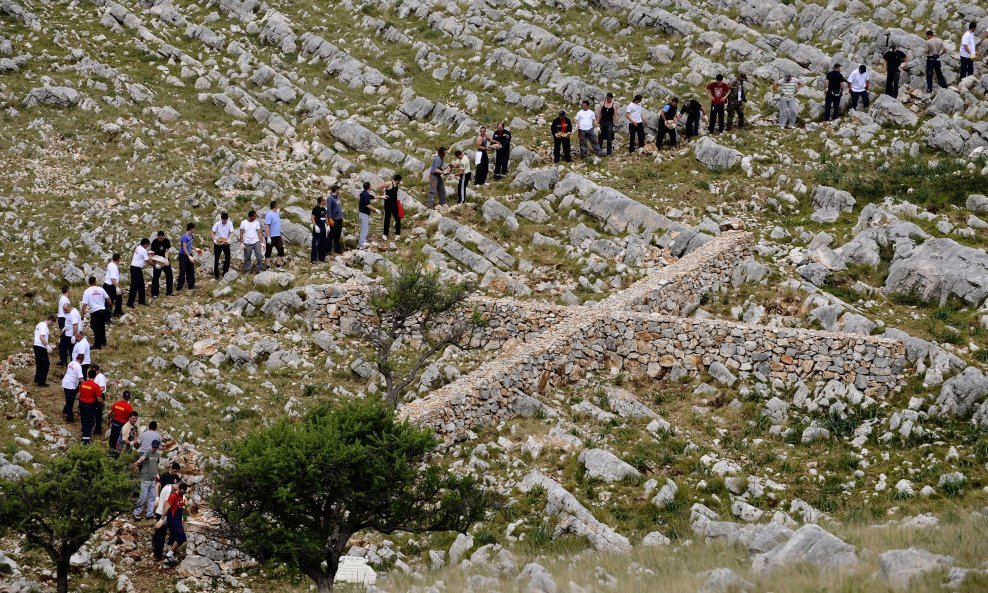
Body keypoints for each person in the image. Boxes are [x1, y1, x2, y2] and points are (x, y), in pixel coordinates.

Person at [152, 462, 182, 559]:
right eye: (174, 470)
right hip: (163, 509)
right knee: (161, 533)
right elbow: (158, 485)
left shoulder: (175, 480)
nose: (175, 472)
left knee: (161, 531)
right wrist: (157, 496)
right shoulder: (165, 477)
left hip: (165, 509)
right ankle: (157, 553)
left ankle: (158, 550)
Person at [157, 482, 189, 565]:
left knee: (172, 537)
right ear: (178, 489)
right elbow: (166, 508)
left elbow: (182, 506)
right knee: (182, 537)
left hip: (178, 519)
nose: (182, 493)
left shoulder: (182, 496)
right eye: (181, 491)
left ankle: (167, 560)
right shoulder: (173, 496)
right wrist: (161, 519)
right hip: (173, 520)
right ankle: (170, 554)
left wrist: (183, 517)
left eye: (184, 492)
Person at [80, 276, 111, 350]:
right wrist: (110, 306)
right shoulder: (101, 289)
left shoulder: (87, 291)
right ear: (95, 281)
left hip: (95, 311)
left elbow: (84, 304)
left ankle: (97, 344)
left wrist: (82, 314)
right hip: (102, 310)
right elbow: (108, 299)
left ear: (88, 282)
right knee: (102, 326)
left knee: (95, 328)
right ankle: (103, 342)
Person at [133, 439, 161, 520]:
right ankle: (136, 512)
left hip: (152, 479)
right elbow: (143, 457)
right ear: (151, 446)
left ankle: (149, 514)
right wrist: (138, 461)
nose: (154, 449)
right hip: (145, 478)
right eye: (153, 447)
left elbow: (156, 465)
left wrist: (157, 474)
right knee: (143, 497)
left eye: (156, 447)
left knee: (152, 497)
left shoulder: (157, 454)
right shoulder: (148, 452)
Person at [78, 369, 103, 445]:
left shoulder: (83, 384)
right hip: (89, 406)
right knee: (89, 422)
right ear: (95, 376)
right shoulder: (96, 386)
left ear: (88, 375)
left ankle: (83, 432)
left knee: (83, 419)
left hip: (82, 404)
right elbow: (99, 398)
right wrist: (102, 403)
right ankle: (86, 439)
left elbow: (80, 393)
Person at [107, 390, 133, 455]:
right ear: (128, 398)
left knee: (113, 438)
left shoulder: (116, 404)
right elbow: (131, 418)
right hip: (123, 426)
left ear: (122, 396)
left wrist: (108, 419)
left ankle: (111, 452)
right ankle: (118, 454)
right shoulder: (129, 407)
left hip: (115, 424)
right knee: (120, 440)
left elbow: (109, 412)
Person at [127, 238, 150, 308]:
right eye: (148, 245)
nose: (148, 246)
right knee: (134, 286)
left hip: (136, 268)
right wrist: (155, 265)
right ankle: (130, 303)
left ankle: (141, 300)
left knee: (141, 285)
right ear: (145, 244)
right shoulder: (143, 250)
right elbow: (148, 261)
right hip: (136, 268)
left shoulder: (138, 247)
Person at [61, 353, 84, 422]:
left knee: (69, 399)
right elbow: (80, 378)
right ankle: (69, 416)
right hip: (70, 385)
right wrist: (86, 384)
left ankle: (65, 410)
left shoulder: (71, 363)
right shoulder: (79, 366)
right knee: (70, 401)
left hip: (65, 382)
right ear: (82, 360)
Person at [149, 231, 173, 298]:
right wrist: (155, 261)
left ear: (163, 236)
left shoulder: (167, 241)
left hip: (164, 259)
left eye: (161, 238)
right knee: (156, 277)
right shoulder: (154, 242)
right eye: (159, 238)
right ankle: (154, 293)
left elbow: (166, 251)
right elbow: (152, 253)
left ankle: (169, 292)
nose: (160, 239)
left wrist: (166, 260)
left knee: (169, 275)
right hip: (157, 260)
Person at [379, 175, 402, 242]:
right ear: (398, 180)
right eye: (400, 180)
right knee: (387, 219)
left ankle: (398, 233)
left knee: (398, 218)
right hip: (388, 204)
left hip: (395, 204)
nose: (400, 182)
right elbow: (380, 187)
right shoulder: (389, 183)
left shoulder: (396, 185)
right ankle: (384, 234)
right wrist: (382, 196)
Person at [33, 315, 55, 387]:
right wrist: (47, 346)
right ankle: (41, 382)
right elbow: (41, 337)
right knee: (45, 364)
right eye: (52, 322)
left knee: (39, 363)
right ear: (50, 320)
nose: (52, 324)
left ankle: (37, 379)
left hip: (36, 345)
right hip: (40, 346)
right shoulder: (44, 325)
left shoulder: (39, 324)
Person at [211, 213, 234, 279]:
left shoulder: (229, 223)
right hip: (218, 243)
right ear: (221, 219)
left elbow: (232, 232)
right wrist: (214, 240)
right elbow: (212, 232)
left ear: (227, 219)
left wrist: (229, 240)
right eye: (223, 220)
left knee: (228, 258)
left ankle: (225, 273)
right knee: (216, 258)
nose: (224, 221)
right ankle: (216, 275)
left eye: (225, 220)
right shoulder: (217, 224)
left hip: (225, 243)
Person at [59, 301, 81, 367]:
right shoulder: (70, 312)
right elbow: (68, 323)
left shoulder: (73, 314)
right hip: (67, 333)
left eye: (65, 310)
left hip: (71, 335)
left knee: (71, 349)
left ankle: (72, 363)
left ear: (69, 307)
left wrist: (74, 336)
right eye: (64, 310)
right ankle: (63, 361)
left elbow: (75, 325)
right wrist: (64, 329)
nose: (65, 312)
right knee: (62, 345)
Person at [264, 202, 284, 269]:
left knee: (281, 250)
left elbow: (278, 210)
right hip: (271, 236)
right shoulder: (269, 214)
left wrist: (278, 210)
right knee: (268, 251)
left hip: (277, 235)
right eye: (277, 206)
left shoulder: (277, 213)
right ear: (275, 206)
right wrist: (268, 236)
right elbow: (266, 225)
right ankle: (268, 266)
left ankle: (278, 266)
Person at [176, 223, 196, 291]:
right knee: (183, 270)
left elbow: (190, 244)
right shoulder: (184, 237)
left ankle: (191, 285)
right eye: (194, 228)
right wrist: (189, 256)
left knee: (191, 270)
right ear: (191, 229)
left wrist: (196, 249)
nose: (194, 230)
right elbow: (184, 248)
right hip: (183, 255)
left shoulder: (191, 236)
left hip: (189, 253)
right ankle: (179, 287)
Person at [103, 254, 123, 319]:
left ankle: (117, 311)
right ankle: (107, 318)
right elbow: (113, 279)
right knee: (109, 301)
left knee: (119, 297)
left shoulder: (110, 264)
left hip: (109, 285)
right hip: (110, 286)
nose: (120, 260)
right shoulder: (114, 267)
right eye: (120, 258)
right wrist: (117, 287)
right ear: (118, 259)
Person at [327, 187, 344, 255]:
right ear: (336, 190)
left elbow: (339, 207)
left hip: (339, 219)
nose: (339, 190)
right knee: (331, 235)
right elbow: (329, 209)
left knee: (338, 235)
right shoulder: (330, 198)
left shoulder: (338, 197)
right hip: (334, 220)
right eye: (338, 189)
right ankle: (328, 250)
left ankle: (337, 250)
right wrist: (329, 218)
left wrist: (341, 216)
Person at [92, 363, 107, 437]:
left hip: (99, 396)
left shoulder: (100, 377)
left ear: (98, 370)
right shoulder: (95, 376)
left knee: (98, 414)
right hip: (95, 396)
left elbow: (102, 388)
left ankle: (98, 429)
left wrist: (95, 393)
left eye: (94, 370)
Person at [310, 197, 328, 262]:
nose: (325, 201)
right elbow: (312, 218)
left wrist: (328, 226)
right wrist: (315, 226)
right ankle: (313, 259)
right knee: (316, 243)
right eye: (324, 200)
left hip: (323, 228)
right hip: (318, 228)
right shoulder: (315, 209)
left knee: (323, 243)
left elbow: (326, 217)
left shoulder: (324, 209)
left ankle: (322, 259)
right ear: (320, 201)